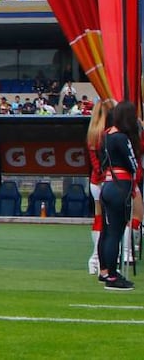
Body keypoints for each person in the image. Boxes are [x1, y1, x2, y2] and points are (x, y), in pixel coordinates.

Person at [97, 101, 140, 290]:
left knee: (106, 232)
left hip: (107, 183)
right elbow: (133, 164)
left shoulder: (106, 135)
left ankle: (106, 271)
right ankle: (113, 277)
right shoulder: (122, 138)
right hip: (120, 185)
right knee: (115, 232)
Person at [85, 100, 115, 274]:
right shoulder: (107, 133)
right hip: (107, 181)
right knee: (111, 221)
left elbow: (95, 163)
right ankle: (102, 258)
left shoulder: (92, 133)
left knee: (98, 218)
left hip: (95, 181)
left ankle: (94, 259)